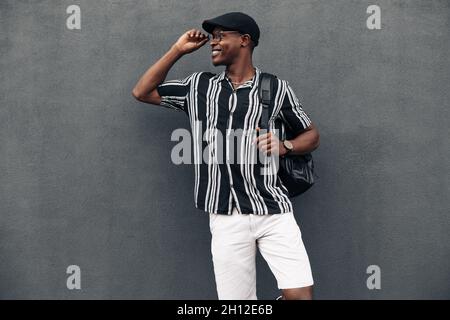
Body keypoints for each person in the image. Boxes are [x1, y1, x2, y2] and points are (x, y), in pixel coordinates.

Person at [132, 12, 320, 300]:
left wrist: (285, 147)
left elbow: (311, 135)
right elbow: (142, 92)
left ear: (244, 40)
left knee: (300, 296)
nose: (213, 42)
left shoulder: (275, 87)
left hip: (273, 210)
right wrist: (177, 50)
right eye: (213, 37)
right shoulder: (198, 87)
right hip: (225, 216)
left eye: (221, 36)